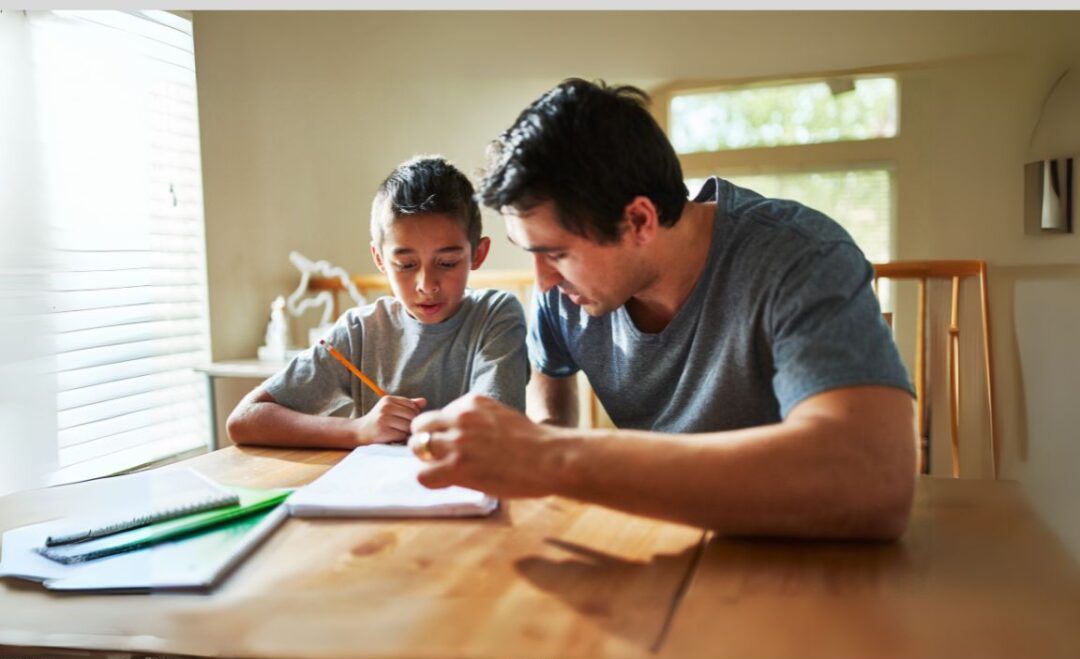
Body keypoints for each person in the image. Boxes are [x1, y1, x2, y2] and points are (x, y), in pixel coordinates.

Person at [407, 79, 917, 540]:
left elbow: (874, 478)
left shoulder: (800, 257)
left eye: (556, 253)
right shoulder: (564, 298)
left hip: (799, 557)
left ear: (639, 220)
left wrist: (550, 457)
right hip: (658, 547)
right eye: (531, 254)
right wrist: (542, 445)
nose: (543, 281)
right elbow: (551, 380)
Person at [227, 156, 529, 449]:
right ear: (380, 259)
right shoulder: (360, 331)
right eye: (406, 265)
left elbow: (497, 428)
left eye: (447, 262)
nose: (426, 285)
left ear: (478, 253)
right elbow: (244, 419)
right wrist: (357, 430)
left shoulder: (496, 315)